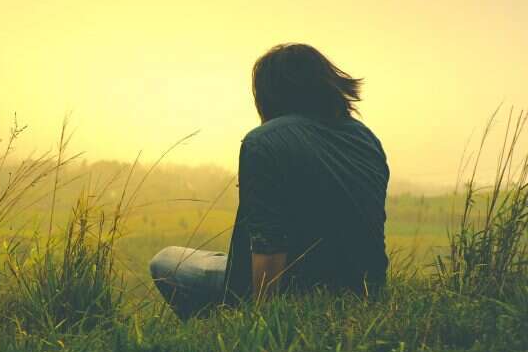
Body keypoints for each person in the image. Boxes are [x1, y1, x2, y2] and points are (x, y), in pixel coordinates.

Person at [150, 43, 389, 318]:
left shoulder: (262, 141)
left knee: (166, 260)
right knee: (215, 261)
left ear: (268, 93)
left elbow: (269, 245)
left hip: (293, 290)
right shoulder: (365, 138)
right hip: (359, 289)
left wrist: (262, 321)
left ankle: (217, 329)